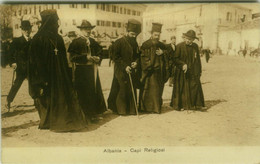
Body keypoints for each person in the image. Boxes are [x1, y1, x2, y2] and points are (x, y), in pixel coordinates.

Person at [28, 9, 87, 132]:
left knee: (54, 97)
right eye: (55, 22)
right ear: (51, 22)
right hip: (53, 75)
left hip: (53, 74)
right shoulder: (41, 39)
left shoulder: (49, 38)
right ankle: (53, 120)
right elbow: (35, 60)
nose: (57, 24)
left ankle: (54, 121)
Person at [68, 20, 107, 122]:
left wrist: (98, 58)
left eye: (89, 29)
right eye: (86, 29)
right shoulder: (75, 42)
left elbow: (101, 52)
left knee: (93, 90)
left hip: (92, 69)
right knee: (83, 91)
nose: (88, 31)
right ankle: (84, 114)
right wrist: (86, 57)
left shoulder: (93, 42)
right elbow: (72, 57)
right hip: (81, 70)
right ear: (81, 30)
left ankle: (94, 112)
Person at [107, 19, 141, 115]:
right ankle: (120, 109)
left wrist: (136, 62)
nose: (133, 36)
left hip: (131, 69)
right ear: (127, 32)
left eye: (135, 35)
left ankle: (131, 109)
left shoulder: (135, 43)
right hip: (120, 69)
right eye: (131, 34)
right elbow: (115, 57)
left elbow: (137, 55)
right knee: (121, 88)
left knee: (131, 88)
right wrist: (124, 66)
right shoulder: (119, 42)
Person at [170, 30, 205, 111]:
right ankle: (182, 105)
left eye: (190, 39)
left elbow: (198, 59)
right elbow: (175, 58)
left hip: (193, 70)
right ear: (184, 38)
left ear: (193, 40)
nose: (188, 41)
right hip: (182, 71)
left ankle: (195, 104)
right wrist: (182, 64)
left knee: (194, 86)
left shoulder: (195, 46)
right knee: (182, 87)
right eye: (187, 38)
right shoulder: (179, 46)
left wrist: (199, 70)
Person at [139, 23, 169, 114]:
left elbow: (169, 54)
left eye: (158, 35)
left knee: (157, 90)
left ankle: (156, 108)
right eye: (155, 35)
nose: (157, 37)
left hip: (159, 72)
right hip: (149, 72)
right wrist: (149, 65)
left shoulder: (162, 45)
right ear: (151, 34)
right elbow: (142, 57)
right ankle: (145, 108)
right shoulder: (146, 44)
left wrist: (163, 53)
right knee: (147, 89)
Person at [5, 19, 32, 110]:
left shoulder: (33, 41)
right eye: (25, 29)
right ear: (22, 30)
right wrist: (13, 62)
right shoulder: (17, 41)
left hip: (31, 67)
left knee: (34, 84)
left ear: (31, 29)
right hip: (21, 68)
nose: (27, 31)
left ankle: (37, 102)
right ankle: (9, 100)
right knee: (17, 84)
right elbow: (9, 53)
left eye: (28, 29)